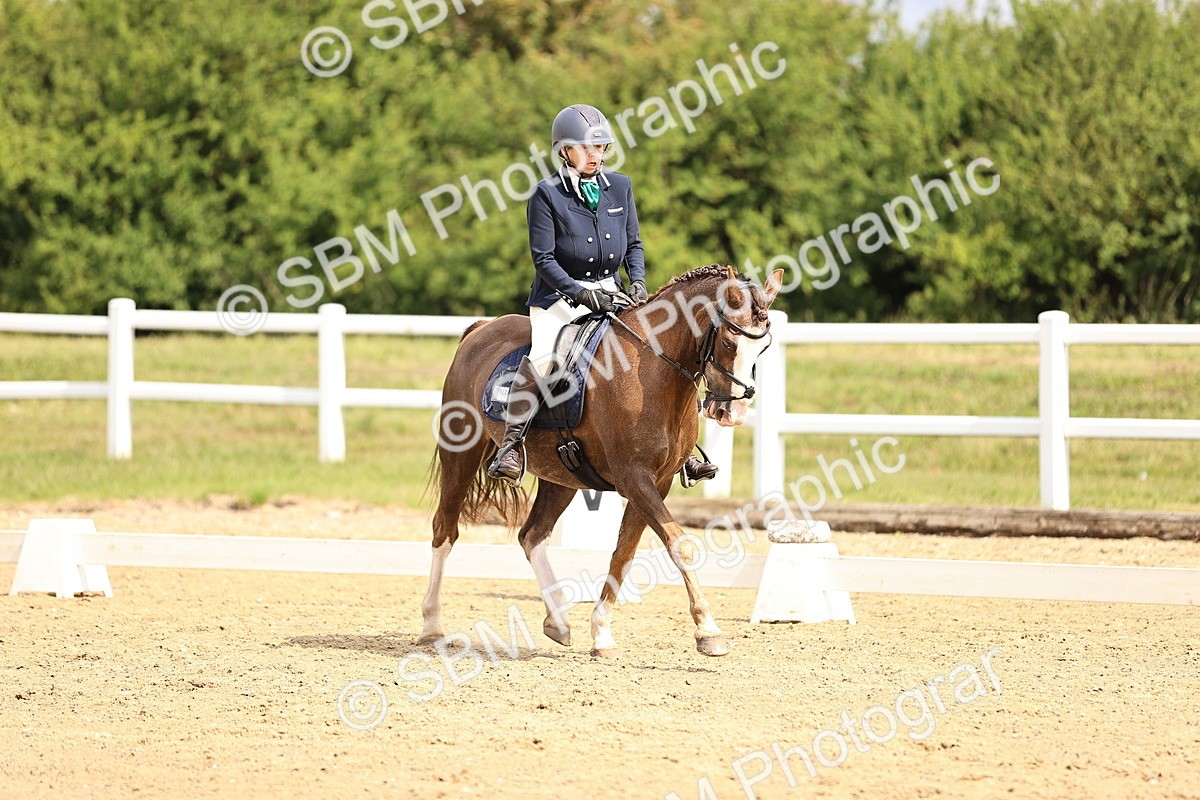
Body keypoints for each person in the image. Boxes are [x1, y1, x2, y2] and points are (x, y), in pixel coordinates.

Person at [486, 103, 717, 487]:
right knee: (545, 357)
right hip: (559, 300)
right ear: (565, 150)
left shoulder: (620, 186)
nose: (596, 156)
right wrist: (581, 295)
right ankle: (512, 445)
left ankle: (684, 449)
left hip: (613, 292)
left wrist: (639, 283)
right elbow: (543, 259)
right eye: (587, 148)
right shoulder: (546, 195)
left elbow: (635, 245)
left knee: (658, 351)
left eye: (601, 148)